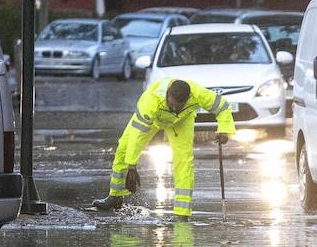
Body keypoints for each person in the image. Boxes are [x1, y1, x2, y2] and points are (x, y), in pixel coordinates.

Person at [93, 76, 235, 218]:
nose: (174, 109)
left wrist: (224, 129)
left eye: (179, 106)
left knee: (184, 162)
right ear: (168, 95)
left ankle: (182, 213)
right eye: (172, 105)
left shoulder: (198, 93)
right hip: (153, 119)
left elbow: (222, 106)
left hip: (181, 121)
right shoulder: (150, 101)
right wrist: (132, 165)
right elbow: (137, 135)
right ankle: (116, 196)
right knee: (124, 148)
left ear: (188, 98)